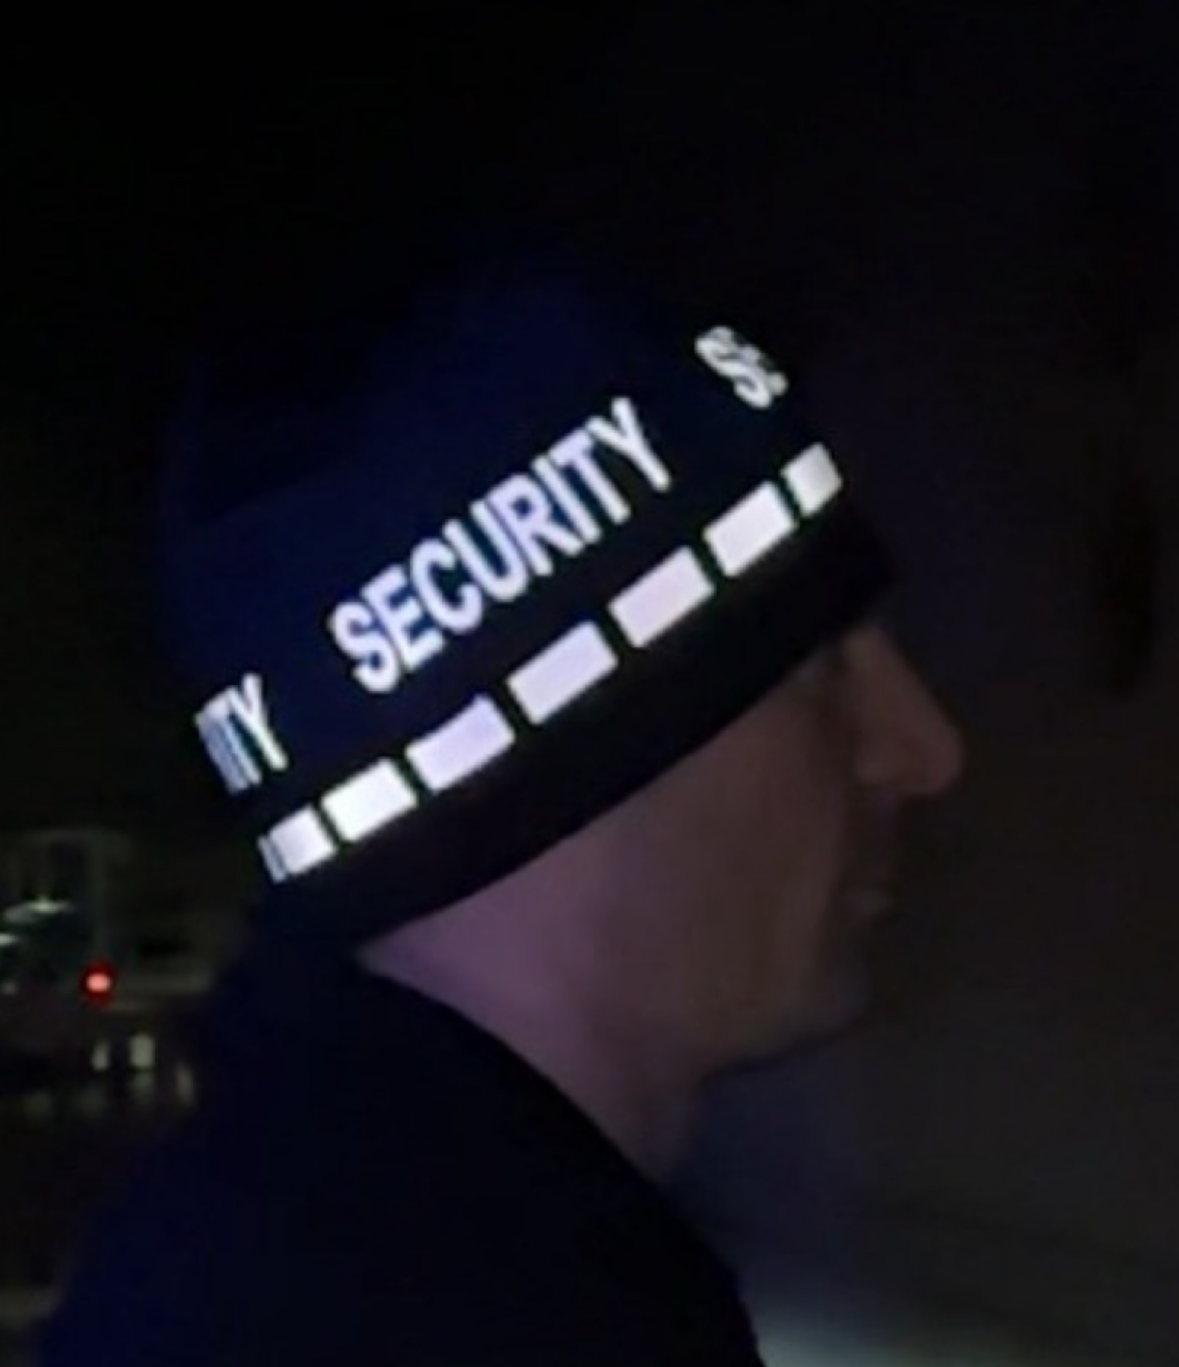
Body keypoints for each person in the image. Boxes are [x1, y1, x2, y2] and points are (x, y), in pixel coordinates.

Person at [40, 248, 963, 1366]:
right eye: (823, 667)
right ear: (577, 758)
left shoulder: (290, 1250)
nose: (925, 750)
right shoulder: (508, 1317)